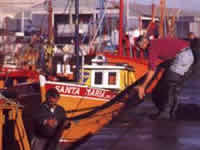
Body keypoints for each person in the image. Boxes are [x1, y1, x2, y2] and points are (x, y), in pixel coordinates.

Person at [135, 36, 194, 120]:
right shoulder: (155, 43)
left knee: (170, 84)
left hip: (183, 57)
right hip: (187, 54)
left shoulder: (151, 47)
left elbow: (152, 70)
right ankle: (171, 112)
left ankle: (165, 114)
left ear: (144, 43)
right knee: (172, 86)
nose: (140, 50)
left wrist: (143, 87)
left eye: (140, 47)